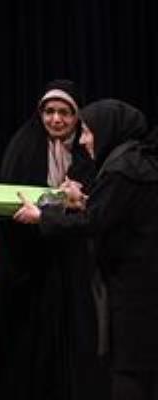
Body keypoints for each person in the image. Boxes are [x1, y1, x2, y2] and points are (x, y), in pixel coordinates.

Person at [16, 99, 158, 400]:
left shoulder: (122, 167)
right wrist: (83, 202)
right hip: (142, 279)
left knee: (130, 366)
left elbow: (94, 222)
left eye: (89, 132)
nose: (83, 140)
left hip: (133, 286)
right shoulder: (136, 160)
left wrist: (42, 216)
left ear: (109, 130)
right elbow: (115, 212)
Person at [0, 79, 104, 400]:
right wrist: (56, 201)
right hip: (31, 264)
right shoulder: (23, 146)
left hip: (75, 264)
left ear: (77, 115)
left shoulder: (90, 151)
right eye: (49, 111)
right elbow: (10, 199)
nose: (55, 119)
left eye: (65, 112)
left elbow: (101, 207)